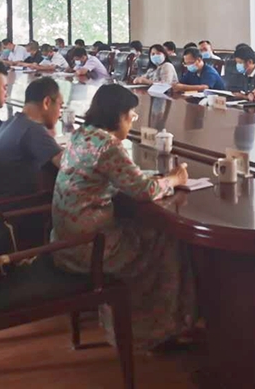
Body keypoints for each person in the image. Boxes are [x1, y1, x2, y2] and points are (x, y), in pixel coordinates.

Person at [52, 84, 195, 350]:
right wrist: (175, 179)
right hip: (90, 249)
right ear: (118, 115)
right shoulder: (108, 146)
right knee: (166, 239)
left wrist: (152, 179)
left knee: (139, 226)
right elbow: (145, 190)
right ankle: (159, 332)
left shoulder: (82, 134)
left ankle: (132, 325)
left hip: (64, 240)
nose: (132, 120)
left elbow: (119, 177)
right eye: (131, 115)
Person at [0, 77, 64, 203]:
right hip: (10, 211)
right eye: (60, 106)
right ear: (46, 102)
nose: (60, 113)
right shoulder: (32, 130)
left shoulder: (11, 122)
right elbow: (70, 166)